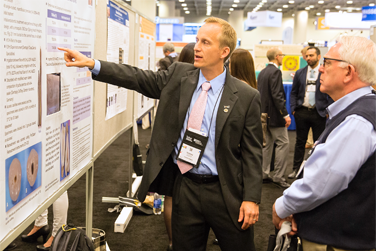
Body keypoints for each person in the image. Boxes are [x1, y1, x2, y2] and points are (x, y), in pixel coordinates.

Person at [59, 17, 263, 251]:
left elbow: (252, 153)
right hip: (185, 187)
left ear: (224, 51)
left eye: (205, 42)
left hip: (226, 191)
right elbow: (136, 77)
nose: (196, 47)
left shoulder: (246, 96)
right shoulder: (179, 75)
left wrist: (251, 198)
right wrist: (93, 64)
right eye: (197, 40)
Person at [272, 36, 376, 250]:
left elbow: (322, 182)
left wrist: (281, 206)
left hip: (334, 241)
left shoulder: (357, 121)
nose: (320, 69)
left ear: (348, 72)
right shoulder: (360, 110)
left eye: (327, 63)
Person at [152, 42, 195, 251]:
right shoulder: (198, 82)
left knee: (170, 196)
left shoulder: (173, 79)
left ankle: (172, 242)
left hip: (170, 150)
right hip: (188, 151)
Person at [288, 46, 332, 179]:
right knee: (299, 142)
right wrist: (294, 108)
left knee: (319, 144)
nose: (308, 58)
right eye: (307, 56)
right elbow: (294, 92)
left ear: (319, 57)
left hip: (319, 113)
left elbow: (330, 92)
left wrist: (327, 110)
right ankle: (296, 169)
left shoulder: (325, 72)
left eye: (311, 55)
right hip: (302, 112)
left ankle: (315, 171)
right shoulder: (300, 73)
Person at [257, 48, 291, 188]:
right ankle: (278, 176)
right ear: (277, 57)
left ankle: (264, 173)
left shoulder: (263, 72)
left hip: (263, 114)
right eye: (282, 55)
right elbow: (277, 95)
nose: (283, 58)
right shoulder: (276, 72)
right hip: (275, 115)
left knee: (267, 144)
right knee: (283, 143)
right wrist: (285, 114)